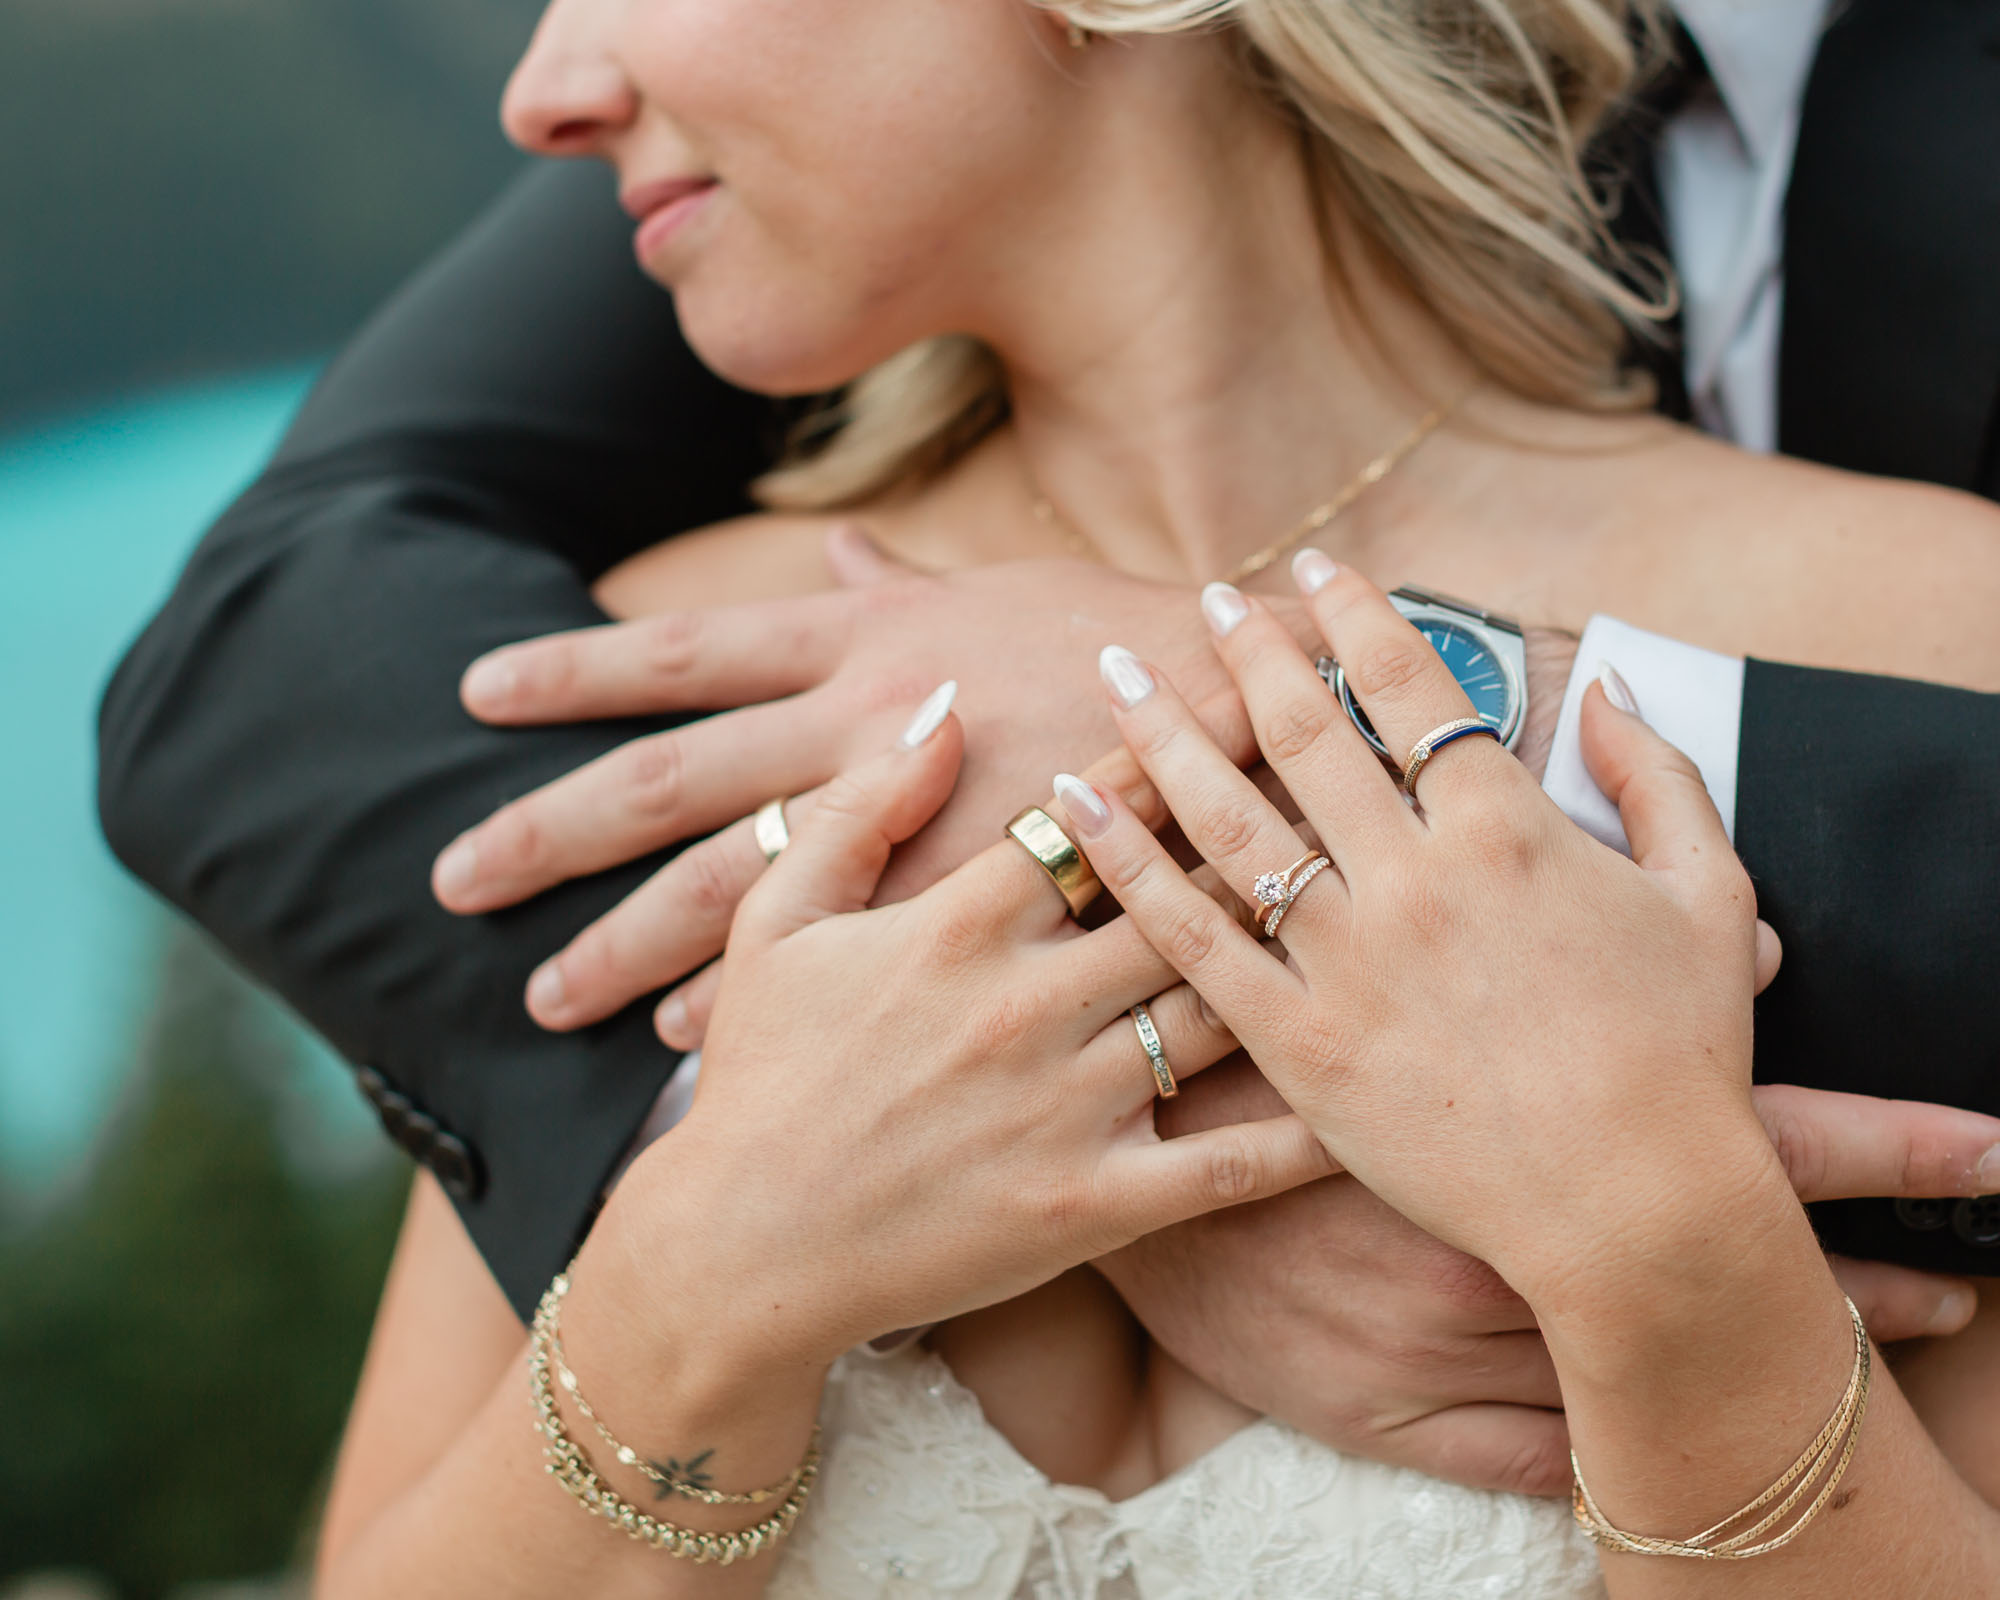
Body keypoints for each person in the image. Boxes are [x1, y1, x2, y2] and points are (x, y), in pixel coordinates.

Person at [99, 0, 2000, 1503]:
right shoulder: (696, 673)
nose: (541, 91)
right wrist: (730, 1267)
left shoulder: (1915, 638)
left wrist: (1670, 1284)